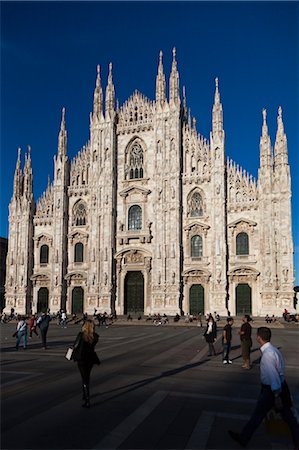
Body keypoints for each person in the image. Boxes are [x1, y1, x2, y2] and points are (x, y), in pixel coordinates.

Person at [228, 327, 299, 449]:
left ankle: (243, 438)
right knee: (280, 417)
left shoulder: (268, 354)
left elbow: (273, 375)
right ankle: (243, 438)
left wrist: (276, 395)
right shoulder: (274, 350)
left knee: (265, 416)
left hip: (272, 391)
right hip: (276, 388)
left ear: (259, 337)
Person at [72, 319, 100, 408]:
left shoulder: (81, 335)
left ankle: (87, 400)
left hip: (82, 359)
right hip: (91, 359)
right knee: (87, 376)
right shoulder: (95, 336)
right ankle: (84, 395)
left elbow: (75, 345)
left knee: (84, 378)